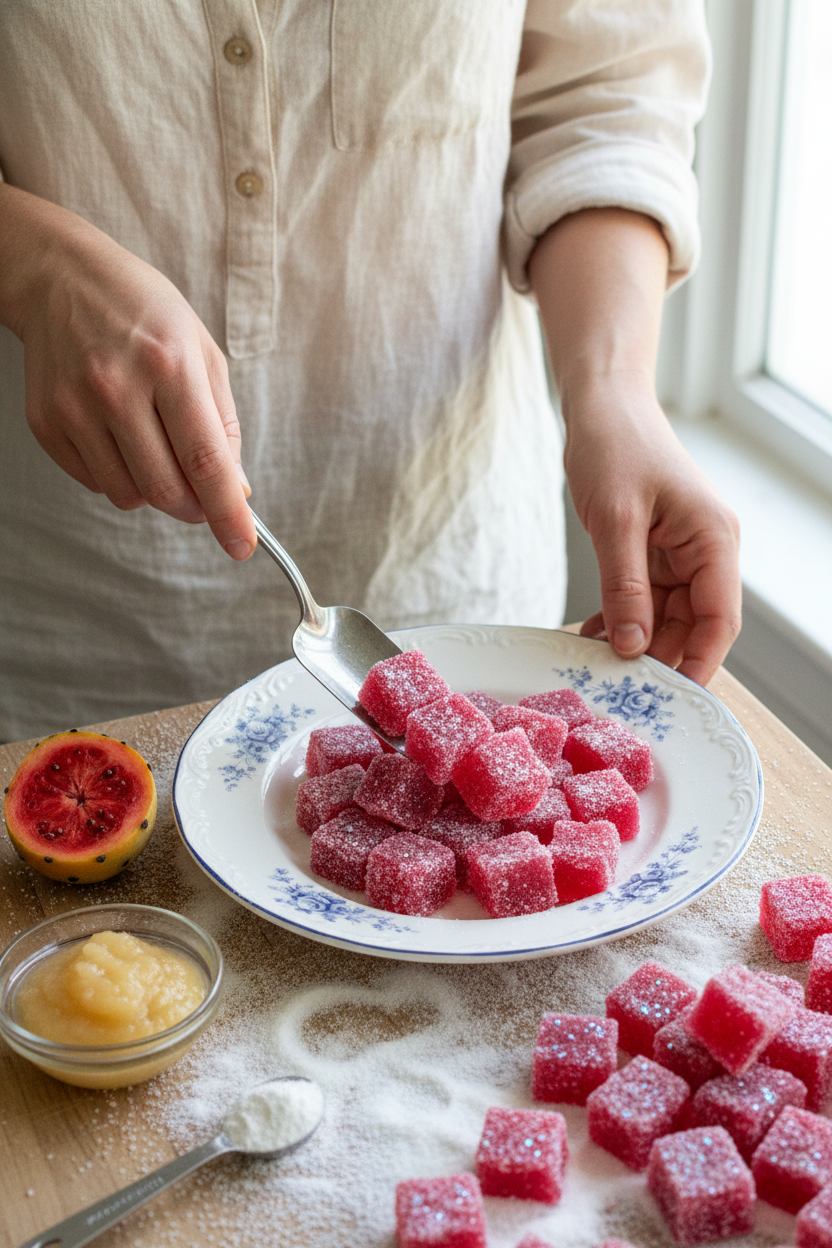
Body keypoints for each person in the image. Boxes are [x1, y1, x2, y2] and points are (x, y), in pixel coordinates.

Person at [0, 2, 740, 743]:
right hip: (66, 625)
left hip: (456, 566)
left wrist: (613, 389)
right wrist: (38, 269)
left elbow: (606, 96)